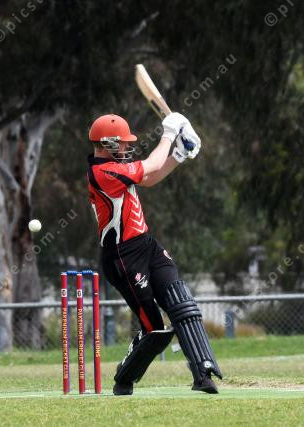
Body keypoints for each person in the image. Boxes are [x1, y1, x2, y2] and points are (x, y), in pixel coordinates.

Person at [86, 113, 222, 395]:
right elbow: (151, 164)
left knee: (181, 302)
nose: (127, 146)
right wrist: (169, 133)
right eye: (123, 142)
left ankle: (203, 374)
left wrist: (179, 156)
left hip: (147, 246)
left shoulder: (117, 167)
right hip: (123, 258)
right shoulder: (103, 172)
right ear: (109, 143)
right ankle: (125, 377)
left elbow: (150, 177)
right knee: (155, 329)